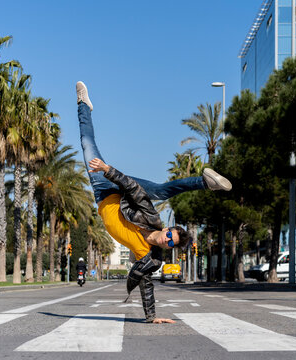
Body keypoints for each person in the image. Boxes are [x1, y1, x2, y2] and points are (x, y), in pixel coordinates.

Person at [76, 81, 232, 324]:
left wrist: (152, 317)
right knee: (160, 190)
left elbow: (146, 284)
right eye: (170, 234)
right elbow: (133, 189)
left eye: (170, 242)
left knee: (86, 143)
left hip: (100, 192)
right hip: (117, 185)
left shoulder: (150, 256)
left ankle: (83, 105)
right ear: (167, 229)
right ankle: (205, 182)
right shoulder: (151, 218)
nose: (166, 239)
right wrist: (108, 170)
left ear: (168, 247)